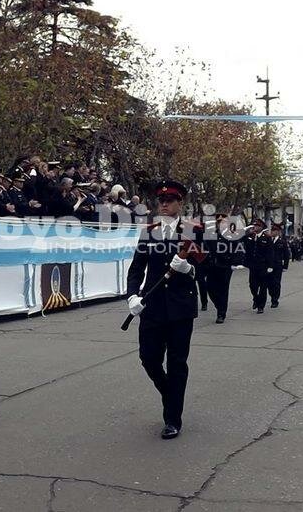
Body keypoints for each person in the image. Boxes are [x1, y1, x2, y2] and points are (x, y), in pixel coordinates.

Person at [125, 180, 204, 440]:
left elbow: (209, 264)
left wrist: (190, 269)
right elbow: (137, 268)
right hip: (153, 305)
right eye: (161, 200)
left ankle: (172, 419)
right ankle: (170, 394)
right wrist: (132, 296)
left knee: (177, 363)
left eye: (170, 199)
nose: (165, 203)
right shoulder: (150, 231)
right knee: (148, 358)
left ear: (181, 203)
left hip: (181, 308)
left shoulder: (193, 231)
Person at [204, 213, 246, 323]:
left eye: (222, 222)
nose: (220, 224)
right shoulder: (211, 234)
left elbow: (239, 249)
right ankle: (219, 305)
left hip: (225, 265)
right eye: (218, 222)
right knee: (210, 288)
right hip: (212, 266)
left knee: (223, 289)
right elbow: (204, 247)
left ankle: (221, 313)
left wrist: (236, 263)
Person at [244, 219, 272, 314]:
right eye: (254, 226)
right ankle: (256, 298)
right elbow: (241, 240)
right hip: (253, 265)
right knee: (252, 285)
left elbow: (270, 252)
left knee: (263, 287)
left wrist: (270, 266)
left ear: (261, 227)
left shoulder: (267, 238)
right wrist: (248, 233)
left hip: (263, 265)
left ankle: (261, 306)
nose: (255, 227)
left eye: (257, 226)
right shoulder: (250, 237)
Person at [268, 222, 290, 308]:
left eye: (274, 230)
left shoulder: (282, 242)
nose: (272, 232)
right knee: (269, 283)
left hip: (277, 266)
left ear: (278, 231)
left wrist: (285, 266)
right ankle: (271, 295)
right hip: (268, 265)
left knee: (276, 283)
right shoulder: (268, 240)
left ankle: (275, 300)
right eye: (272, 230)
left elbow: (286, 254)